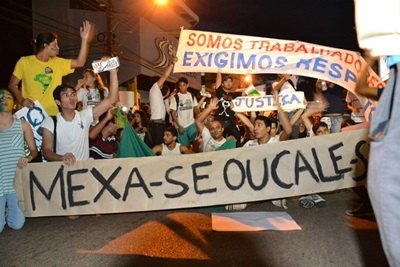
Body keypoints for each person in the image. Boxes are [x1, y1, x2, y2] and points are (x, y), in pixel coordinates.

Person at [8, 21, 95, 116]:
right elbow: (12, 85)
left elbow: (80, 62)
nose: (58, 48)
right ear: (45, 45)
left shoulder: (58, 63)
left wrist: (84, 40)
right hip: (30, 113)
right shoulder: (24, 62)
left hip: (52, 114)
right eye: (55, 44)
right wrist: (22, 100)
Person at [41, 66, 118, 166]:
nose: (71, 98)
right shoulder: (50, 121)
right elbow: (47, 152)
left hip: (83, 174)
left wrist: (112, 70)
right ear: (58, 102)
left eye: (73, 94)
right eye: (66, 95)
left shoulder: (84, 116)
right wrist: (62, 158)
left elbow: (111, 99)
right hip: (62, 173)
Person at [0, 89, 38, 232]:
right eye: (1, 96)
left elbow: (34, 150)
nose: (4, 98)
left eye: (8, 96)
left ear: (15, 104)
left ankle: (9, 210)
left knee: (17, 224)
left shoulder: (22, 125)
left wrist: (28, 158)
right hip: (0, 183)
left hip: (16, 183)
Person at [149, 58, 177, 147]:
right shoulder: (154, 88)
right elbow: (165, 76)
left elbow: (163, 99)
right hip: (157, 125)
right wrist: (172, 64)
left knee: (161, 146)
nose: (162, 84)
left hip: (159, 124)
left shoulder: (157, 94)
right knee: (158, 147)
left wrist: (170, 95)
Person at [170, 77, 199, 147]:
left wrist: (198, 120)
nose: (182, 87)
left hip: (191, 123)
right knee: (184, 146)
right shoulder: (175, 97)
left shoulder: (191, 96)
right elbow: (173, 112)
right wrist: (179, 126)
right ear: (179, 86)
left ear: (187, 85)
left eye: (184, 85)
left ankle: (196, 155)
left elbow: (196, 109)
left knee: (195, 142)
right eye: (180, 85)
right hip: (181, 126)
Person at [214, 73, 242, 146]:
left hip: (230, 122)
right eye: (226, 81)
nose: (228, 83)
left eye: (230, 81)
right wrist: (219, 71)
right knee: (219, 143)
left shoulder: (235, 95)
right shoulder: (220, 92)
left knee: (237, 141)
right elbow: (218, 78)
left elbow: (247, 92)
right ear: (222, 84)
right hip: (219, 122)